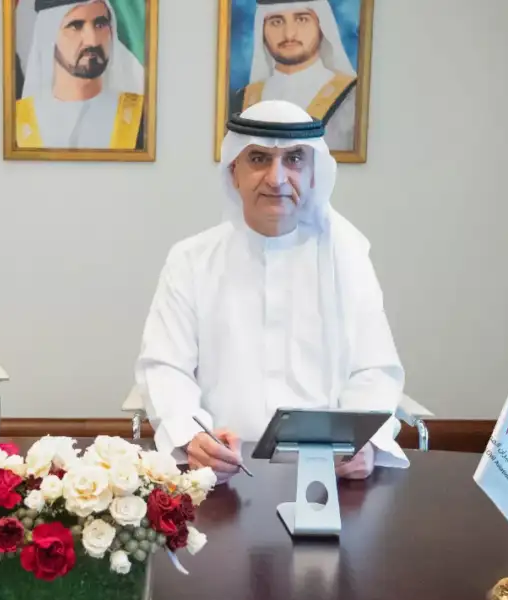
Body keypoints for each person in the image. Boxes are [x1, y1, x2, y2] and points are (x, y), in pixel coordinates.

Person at [134, 99, 407, 483]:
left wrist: (365, 443)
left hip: (330, 476)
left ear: (313, 174)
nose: (277, 178)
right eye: (259, 159)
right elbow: (166, 366)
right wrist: (192, 434)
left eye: (294, 159)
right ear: (234, 171)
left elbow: (374, 369)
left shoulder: (347, 258)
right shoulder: (191, 260)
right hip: (221, 475)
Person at [15, 0, 146, 150]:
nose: (92, 41)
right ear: (48, 36)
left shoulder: (140, 118)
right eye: (76, 26)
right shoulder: (16, 121)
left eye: (100, 24)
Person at [229, 0, 357, 152]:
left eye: (301, 19)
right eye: (276, 22)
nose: (289, 34)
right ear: (262, 30)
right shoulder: (243, 98)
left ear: (321, 26)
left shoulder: (352, 96)